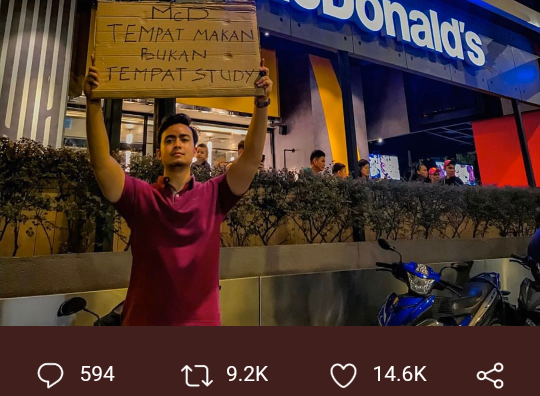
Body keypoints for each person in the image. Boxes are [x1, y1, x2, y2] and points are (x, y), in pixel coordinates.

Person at [84, 55, 273, 325]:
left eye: (184, 139)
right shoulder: (139, 197)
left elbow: (251, 158)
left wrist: (262, 103)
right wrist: (93, 103)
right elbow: (101, 162)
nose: (177, 144)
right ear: (159, 151)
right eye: (169, 139)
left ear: (195, 151)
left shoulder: (215, 195)